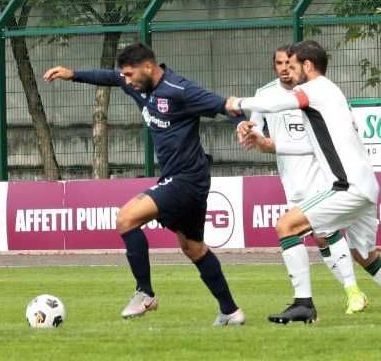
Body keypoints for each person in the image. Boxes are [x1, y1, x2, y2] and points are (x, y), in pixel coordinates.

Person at [43, 42, 245, 326]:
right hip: (183, 178)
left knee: (126, 218)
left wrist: (244, 124)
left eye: (129, 74)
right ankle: (231, 311)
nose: (125, 80)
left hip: (188, 179)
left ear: (148, 67)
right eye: (124, 75)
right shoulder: (140, 87)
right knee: (193, 247)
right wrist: (73, 74)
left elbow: (226, 105)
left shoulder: (180, 90)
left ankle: (145, 293)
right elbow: (110, 78)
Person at [228, 40, 380, 324]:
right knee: (365, 254)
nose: (288, 71)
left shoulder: (315, 89)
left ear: (307, 66)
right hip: (365, 185)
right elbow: (306, 144)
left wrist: (237, 103)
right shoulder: (329, 94)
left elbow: (277, 101)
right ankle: (330, 298)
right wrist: (269, 143)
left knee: (287, 226)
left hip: (348, 187)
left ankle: (304, 304)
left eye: (293, 65)